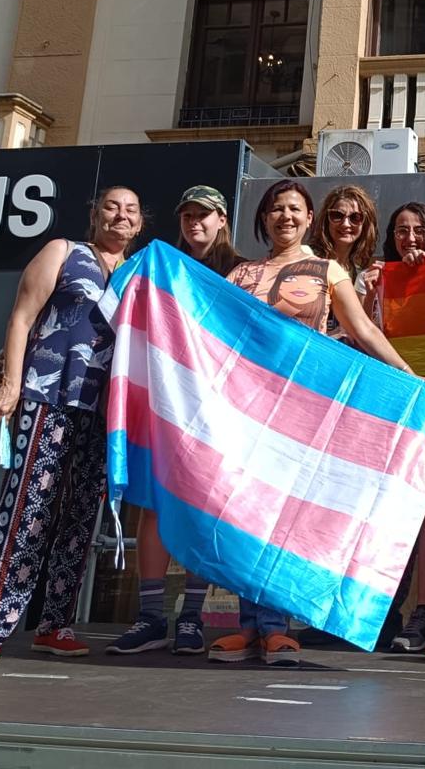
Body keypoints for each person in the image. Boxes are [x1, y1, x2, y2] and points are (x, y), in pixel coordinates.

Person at [209, 180, 425, 666]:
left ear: (309, 218)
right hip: (246, 409)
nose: (284, 217)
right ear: (264, 219)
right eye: (275, 209)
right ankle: (248, 626)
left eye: (294, 209)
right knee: (245, 513)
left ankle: (276, 627)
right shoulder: (242, 273)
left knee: (286, 517)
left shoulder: (327, 270)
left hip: (302, 411)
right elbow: (207, 322)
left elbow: (362, 329)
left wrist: (410, 376)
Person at [0, 187, 144, 670]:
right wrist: (12, 385)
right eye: (112, 207)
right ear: (95, 213)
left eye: (132, 211)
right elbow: (21, 316)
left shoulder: (141, 272)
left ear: (140, 225)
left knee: (80, 518)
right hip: (48, 396)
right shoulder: (64, 251)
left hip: (104, 412)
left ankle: (56, 625)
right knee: (27, 508)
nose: (121, 216)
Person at [109, 186, 244, 657]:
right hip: (163, 399)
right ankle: (150, 617)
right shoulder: (160, 262)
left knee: (201, 506)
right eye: (187, 215)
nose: (195, 223)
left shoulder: (241, 270)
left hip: (215, 408)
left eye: (204, 215)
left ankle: (190, 617)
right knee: (153, 504)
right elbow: (118, 301)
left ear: (222, 219)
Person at [376, 200, 425, 652]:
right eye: (402, 230)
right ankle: (384, 610)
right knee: (391, 511)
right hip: (392, 405)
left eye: (419, 230)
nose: (410, 238)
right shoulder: (379, 275)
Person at [311, 184, 382, 322]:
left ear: (365, 224)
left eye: (355, 217)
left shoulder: (361, 273)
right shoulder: (309, 260)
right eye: (337, 215)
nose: (345, 224)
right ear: (326, 220)